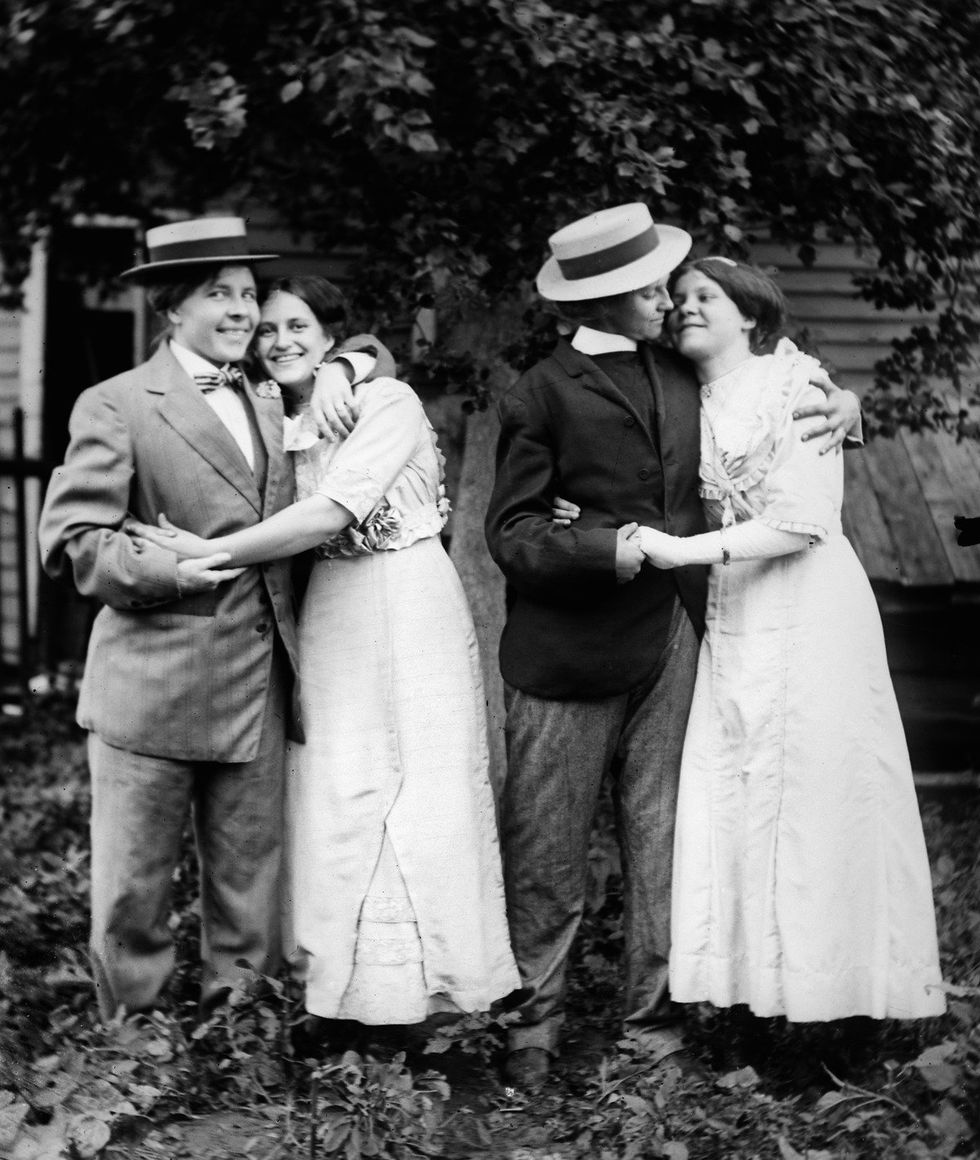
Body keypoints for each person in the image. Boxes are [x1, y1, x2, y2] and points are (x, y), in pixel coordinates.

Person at [483, 203, 862, 1089]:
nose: (669, 297)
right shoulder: (540, 390)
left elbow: (776, 391)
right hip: (563, 656)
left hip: (675, 643)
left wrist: (849, 405)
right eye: (651, 285)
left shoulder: (685, 369)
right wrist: (604, 548)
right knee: (547, 848)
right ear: (609, 297)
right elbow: (513, 531)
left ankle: (650, 1032)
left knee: (664, 844)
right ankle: (532, 1032)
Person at [129, 274, 520, 1035]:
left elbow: (334, 510)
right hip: (330, 611)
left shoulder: (384, 401)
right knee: (337, 786)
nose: (280, 341)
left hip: (407, 599)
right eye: (267, 329)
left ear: (332, 333)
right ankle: (341, 994)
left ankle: (427, 991)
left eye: (298, 326)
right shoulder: (278, 415)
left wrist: (213, 553)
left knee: (421, 784)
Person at [38, 218, 384, 1020]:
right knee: (134, 883)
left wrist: (341, 365)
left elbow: (373, 351)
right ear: (171, 308)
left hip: (256, 681)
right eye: (217, 294)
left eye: (246, 294)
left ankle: (240, 1034)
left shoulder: (274, 390)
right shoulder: (117, 403)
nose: (241, 310)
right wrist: (167, 566)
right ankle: (133, 1038)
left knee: (249, 875)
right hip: (152, 683)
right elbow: (72, 539)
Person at [628, 258, 946, 1024]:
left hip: (810, 610)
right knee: (738, 789)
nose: (686, 307)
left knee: (815, 792)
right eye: (681, 299)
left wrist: (677, 552)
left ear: (750, 315)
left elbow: (802, 523)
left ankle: (837, 997)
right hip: (737, 616)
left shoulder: (799, 389)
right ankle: (751, 994)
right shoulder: (682, 393)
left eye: (707, 297)